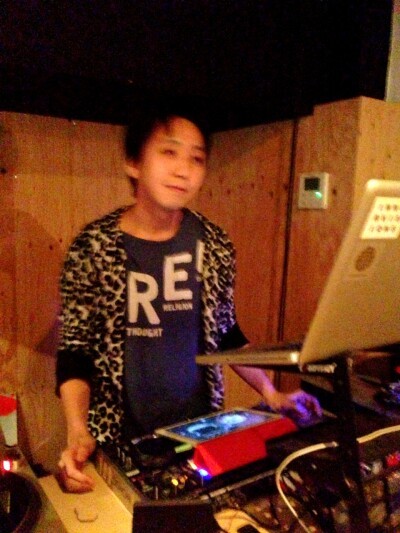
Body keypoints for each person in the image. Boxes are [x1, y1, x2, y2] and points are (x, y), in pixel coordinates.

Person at [56, 101, 321, 492]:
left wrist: (271, 393)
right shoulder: (92, 247)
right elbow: (74, 351)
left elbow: (227, 335)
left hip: (201, 431)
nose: (183, 170)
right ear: (133, 162)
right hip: (119, 437)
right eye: (169, 152)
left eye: (196, 159)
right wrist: (77, 430)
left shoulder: (214, 243)